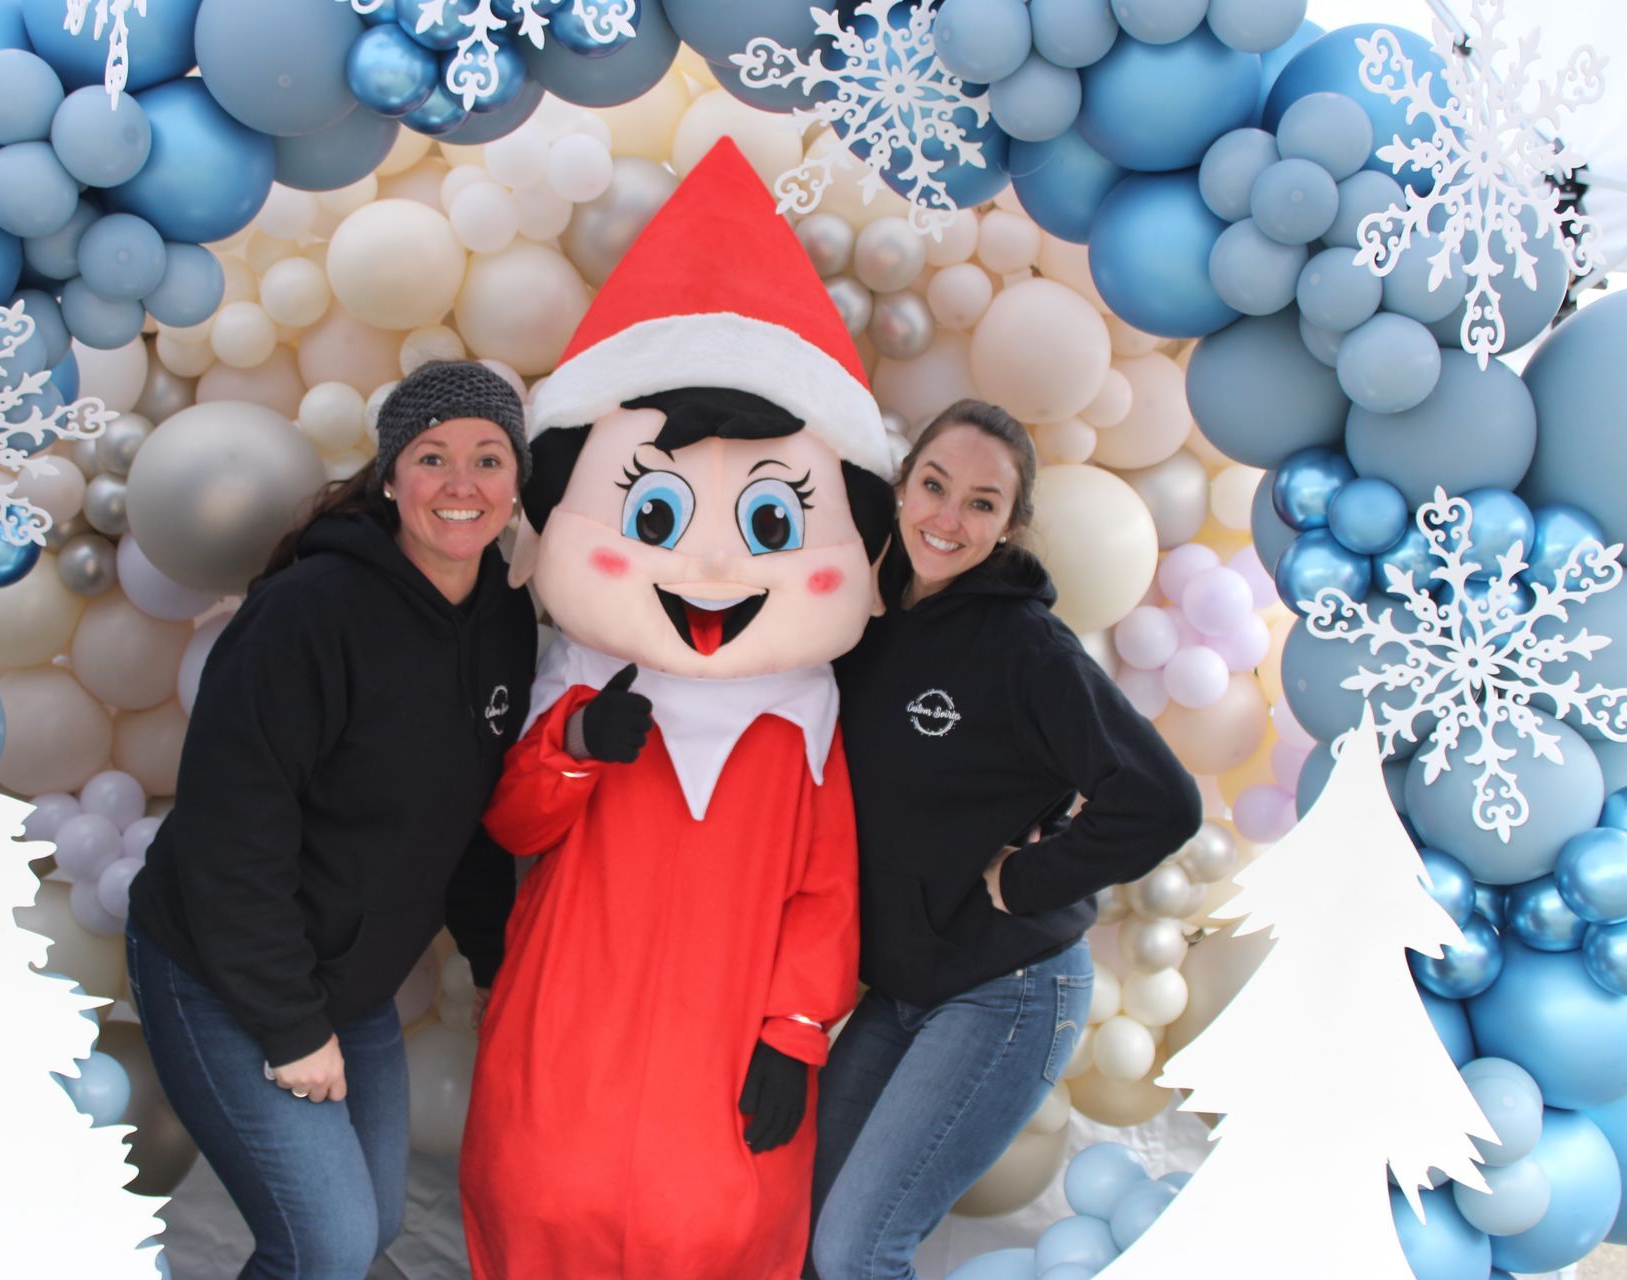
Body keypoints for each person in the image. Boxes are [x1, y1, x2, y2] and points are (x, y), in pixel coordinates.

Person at [458, 139, 896, 1280]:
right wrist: (575, 749)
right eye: (650, 514)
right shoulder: (567, 678)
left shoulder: (804, 714)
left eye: (767, 524)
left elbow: (827, 887)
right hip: (568, 1024)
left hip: (727, 1035)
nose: (706, 566)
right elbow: (510, 824)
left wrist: (793, 1035)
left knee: (713, 1223)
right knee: (543, 1191)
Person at [124, 361, 537, 1280]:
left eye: (488, 458)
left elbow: (469, 815)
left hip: (347, 980)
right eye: (432, 458)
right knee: (325, 1245)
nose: (462, 485)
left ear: (518, 483)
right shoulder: (309, 614)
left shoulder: (505, 618)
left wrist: (496, 964)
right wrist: (288, 1028)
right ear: (391, 475)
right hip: (222, 969)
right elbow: (234, 837)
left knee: (377, 1221)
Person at [808, 399, 1203, 1280]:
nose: (947, 520)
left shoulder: (1029, 649)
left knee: (857, 1251)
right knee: (801, 1222)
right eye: (935, 487)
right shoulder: (866, 629)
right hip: (906, 987)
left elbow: (1163, 801)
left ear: (1010, 527)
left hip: (1007, 989)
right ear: (902, 487)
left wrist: (1027, 881)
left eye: (981, 504)